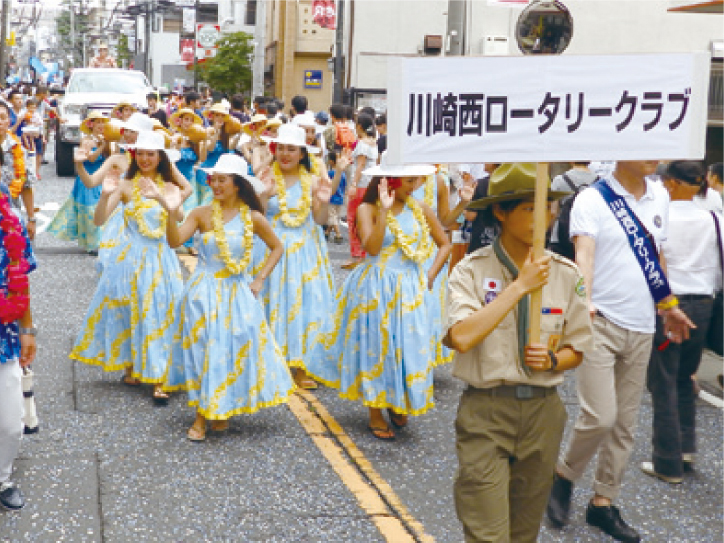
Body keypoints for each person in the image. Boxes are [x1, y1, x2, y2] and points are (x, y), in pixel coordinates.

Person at [547, 161, 695, 543]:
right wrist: (584, 303)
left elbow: (655, 257)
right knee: (600, 416)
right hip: (600, 321)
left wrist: (668, 306)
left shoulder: (660, 195)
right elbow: (585, 257)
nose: (653, 155)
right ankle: (563, 477)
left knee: (625, 425)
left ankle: (602, 502)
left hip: (642, 324)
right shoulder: (593, 199)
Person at [444, 163, 592, 543]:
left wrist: (555, 360)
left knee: (523, 533)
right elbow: (460, 337)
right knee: (487, 533)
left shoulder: (565, 273)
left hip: (544, 413)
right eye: (528, 208)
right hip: (486, 413)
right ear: (501, 211)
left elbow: (579, 345)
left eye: (548, 208)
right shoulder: (470, 271)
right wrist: (519, 287)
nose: (542, 218)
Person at [147, 154, 294, 441]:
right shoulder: (201, 213)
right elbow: (175, 241)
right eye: (213, 179)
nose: (215, 184)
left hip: (236, 291)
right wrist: (168, 209)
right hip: (203, 292)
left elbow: (277, 247)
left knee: (228, 349)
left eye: (222, 180)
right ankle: (203, 416)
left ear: (238, 184)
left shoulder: (253, 217)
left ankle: (220, 408)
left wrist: (259, 278)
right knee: (206, 350)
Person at [306, 161, 451, 440]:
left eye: (416, 180)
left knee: (406, 346)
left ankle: (397, 399)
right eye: (409, 181)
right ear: (389, 182)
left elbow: (444, 243)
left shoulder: (420, 209)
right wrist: (384, 210)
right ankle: (375, 410)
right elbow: (371, 248)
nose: (416, 185)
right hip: (376, 288)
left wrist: (430, 275)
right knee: (377, 347)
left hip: (410, 288)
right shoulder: (367, 208)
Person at [69, 131, 187, 405]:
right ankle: (134, 364)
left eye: (151, 154)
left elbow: (179, 216)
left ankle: (160, 376)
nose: (145, 159)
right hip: (130, 258)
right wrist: (105, 195)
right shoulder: (125, 185)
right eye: (141, 154)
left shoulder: (169, 184)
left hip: (160, 258)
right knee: (132, 310)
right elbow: (99, 221)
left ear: (160, 157)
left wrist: (161, 198)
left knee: (161, 312)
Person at [641, 161, 720, 482]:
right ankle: (686, 448)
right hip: (704, 305)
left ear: (670, 184)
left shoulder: (661, 219)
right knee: (686, 377)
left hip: (669, 306)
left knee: (663, 381)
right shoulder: (715, 219)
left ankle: (667, 462)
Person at [252, 124, 335, 390]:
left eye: (292, 149)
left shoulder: (311, 180)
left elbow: (319, 219)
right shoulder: (266, 175)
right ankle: (267, 361)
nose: (285, 154)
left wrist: (324, 201)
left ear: (302, 153)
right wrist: (263, 195)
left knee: (307, 302)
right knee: (272, 298)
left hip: (306, 248)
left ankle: (303, 365)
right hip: (271, 245)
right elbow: (257, 217)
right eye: (281, 148)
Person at [0, 170, 36, 512]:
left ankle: (3, 478)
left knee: (10, 423)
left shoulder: (7, 212)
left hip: (3, 333)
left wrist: (28, 329)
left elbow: (20, 275)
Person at [47, 112, 110, 253]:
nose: (101, 125)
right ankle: (93, 244)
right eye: (97, 122)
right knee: (89, 211)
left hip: (100, 178)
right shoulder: (86, 140)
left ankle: (100, 241)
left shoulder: (107, 139)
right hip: (86, 178)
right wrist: (102, 146)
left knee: (101, 209)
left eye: (103, 122)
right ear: (91, 124)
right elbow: (91, 158)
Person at [342, 113, 375, 269]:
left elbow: (360, 165)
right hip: (369, 184)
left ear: (360, 126)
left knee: (353, 219)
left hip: (361, 184)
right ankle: (363, 253)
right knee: (365, 220)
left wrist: (353, 184)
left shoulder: (362, 144)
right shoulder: (373, 143)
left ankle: (356, 255)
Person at [0, 102, 36, 239]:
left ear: (9, 121)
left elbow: (26, 185)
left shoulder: (18, 148)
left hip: (11, 215)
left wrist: (31, 219)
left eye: (2, 117)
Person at [326, 150, 347, 244]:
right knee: (335, 216)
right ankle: (327, 232)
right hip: (340, 197)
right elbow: (344, 186)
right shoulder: (342, 174)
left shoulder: (330, 173)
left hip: (331, 198)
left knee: (332, 217)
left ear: (331, 161)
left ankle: (338, 234)